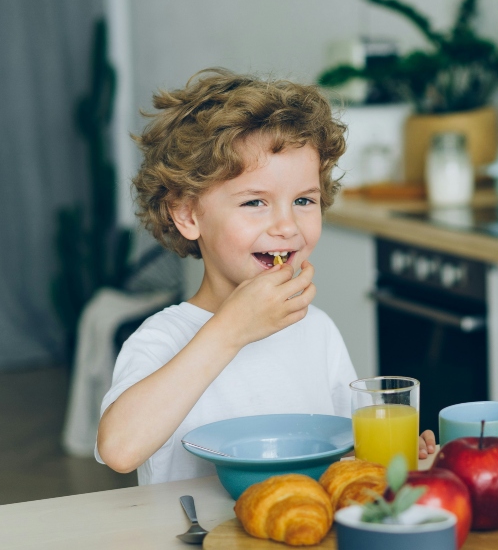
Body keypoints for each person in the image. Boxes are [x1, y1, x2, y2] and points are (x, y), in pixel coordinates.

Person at [96, 69, 436, 484]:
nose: (287, 226)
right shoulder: (162, 338)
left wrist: (398, 454)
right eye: (255, 201)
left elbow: (353, 455)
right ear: (187, 214)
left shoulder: (317, 330)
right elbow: (119, 449)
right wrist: (230, 329)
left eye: (304, 200)